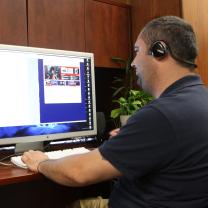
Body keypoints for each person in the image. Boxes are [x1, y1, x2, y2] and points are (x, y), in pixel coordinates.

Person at [22, 16, 208, 208]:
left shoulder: (162, 115)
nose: (134, 62)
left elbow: (78, 173)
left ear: (159, 50)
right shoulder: (200, 100)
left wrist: (41, 163)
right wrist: (132, 140)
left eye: (137, 51)